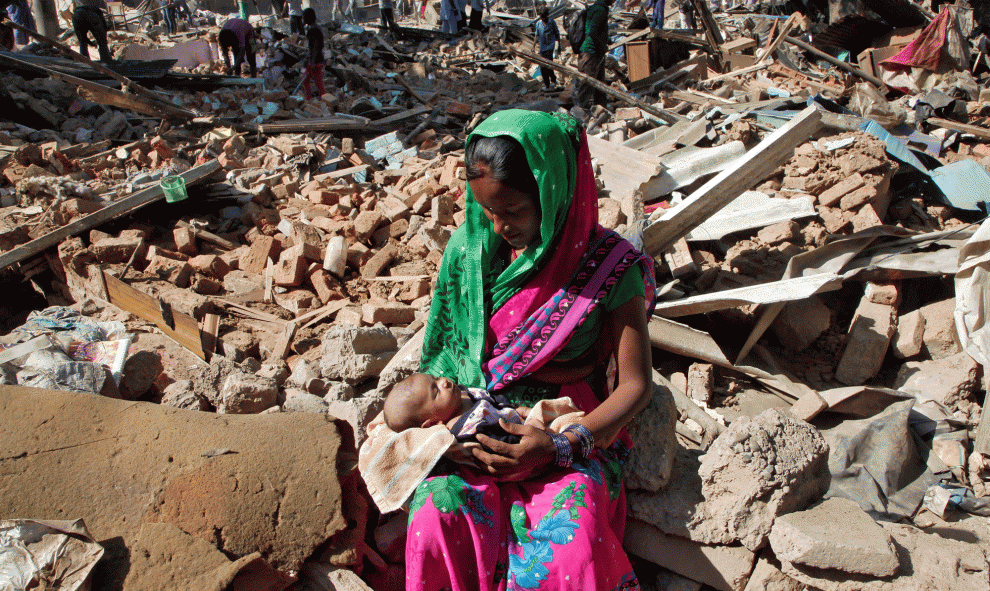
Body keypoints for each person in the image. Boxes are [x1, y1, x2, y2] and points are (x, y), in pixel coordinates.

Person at [364, 109, 657, 590]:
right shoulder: (468, 251)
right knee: (439, 514)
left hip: (565, 426)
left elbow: (635, 386)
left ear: (554, 192)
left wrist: (559, 447)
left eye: (515, 211)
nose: (499, 226)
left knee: (569, 546)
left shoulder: (608, 268)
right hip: (470, 428)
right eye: (488, 212)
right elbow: (443, 360)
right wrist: (447, 441)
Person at [383, 372, 586, 447]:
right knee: (568, 424)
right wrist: (533, 427)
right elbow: (502, 442)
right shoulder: (466, 430)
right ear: (433, 423)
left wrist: (517, 408)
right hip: (525, 439)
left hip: (521, 419)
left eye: (436, 378)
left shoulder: (460, 395)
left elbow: (492, 399)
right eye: (435, 391)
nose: (444, 382)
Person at [576, 0, 614, 110]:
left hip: (595, 52)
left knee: (600, 85)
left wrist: (607, 40)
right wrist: (602, 46)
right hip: (591, 52)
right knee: (587, 85)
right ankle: (581, 114)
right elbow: (593, 31)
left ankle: (601, 110)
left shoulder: (596, 8)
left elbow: (597, 30)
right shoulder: (600, 11)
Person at [532, 8, 560, 90]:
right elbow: (537, 35)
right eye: (541, 17)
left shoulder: (552, 22)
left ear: (547, 16)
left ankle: (552, 80)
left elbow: (557, 33)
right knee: (542, 66)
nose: (542, 19)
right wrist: (533, 46)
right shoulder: (538, 24)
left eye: (544, 17)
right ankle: (547, 83)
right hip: (542, 47)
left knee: (548, 64)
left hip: (550, 46)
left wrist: (559, 45)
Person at [302, 7, 325, 100]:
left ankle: (324, 100)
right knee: (307, 80)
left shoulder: (313, 30)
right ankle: (310, 99)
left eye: (303, 17)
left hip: (316, 61)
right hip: (316, 60)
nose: (302, 19)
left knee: (317, 83)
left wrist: (313, 62)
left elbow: (315, 47)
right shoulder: (316, 28)